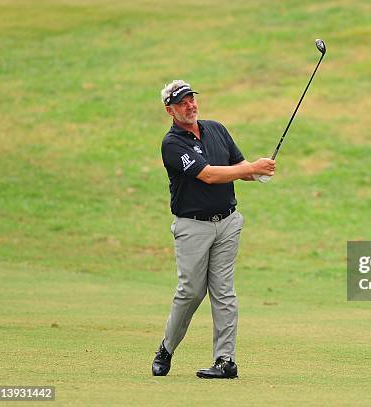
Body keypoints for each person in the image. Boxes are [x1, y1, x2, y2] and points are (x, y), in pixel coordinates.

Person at [152, 80, 275, 379]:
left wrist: (258, 172)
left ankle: (225, 360)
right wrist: (251, 169)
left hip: (228, 223)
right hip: (192, 227)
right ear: (170, 110)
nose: (190, 105)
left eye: (192, 99)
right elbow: (207, 175)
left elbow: (239, 167)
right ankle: (166, 348)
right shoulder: (172, 143)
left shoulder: (216, 129)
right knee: (191, 292)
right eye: (182, 103)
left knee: (224, 292)